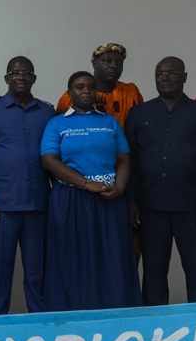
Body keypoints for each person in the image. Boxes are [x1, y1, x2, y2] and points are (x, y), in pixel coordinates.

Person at [125, 56, 196, 305]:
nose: (165, 78)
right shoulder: (139, 114)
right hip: (149, 207)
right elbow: (130, 162)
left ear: (184, 77)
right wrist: (130, 201)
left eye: (172, 73)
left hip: (193, 208)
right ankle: (155, 321)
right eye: (160, 74)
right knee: (153, 271)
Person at [41, 71, 141, 311]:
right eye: (79, 87)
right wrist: (86, 184)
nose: (86, 91)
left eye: (90, 87)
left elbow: (124, 158)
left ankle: (115, 313)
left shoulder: (110, 122)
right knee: (73, 258)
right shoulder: (56, 124)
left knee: (111, 257)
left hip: (109, 198)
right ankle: (73, 315)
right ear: (69, 92)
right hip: (71, 199)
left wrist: (120, 187)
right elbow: (49, 161)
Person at [0, 56, 55, 315]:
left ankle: (39, 322)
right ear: (7, 78)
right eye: (15, 72)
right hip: (2, 205)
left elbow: (55, 157)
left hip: (38, 204)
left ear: (34, 79)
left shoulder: (47, 112)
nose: (21, 76)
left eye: (26, 72)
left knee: (37, 271)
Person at [55, 43, 143, 127]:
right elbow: (58, 125)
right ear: (94, 63)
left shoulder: (130, 92)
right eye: (108, 61)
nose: (114, 66)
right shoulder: (72, 96)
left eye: (119, 62)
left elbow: (141, 123)